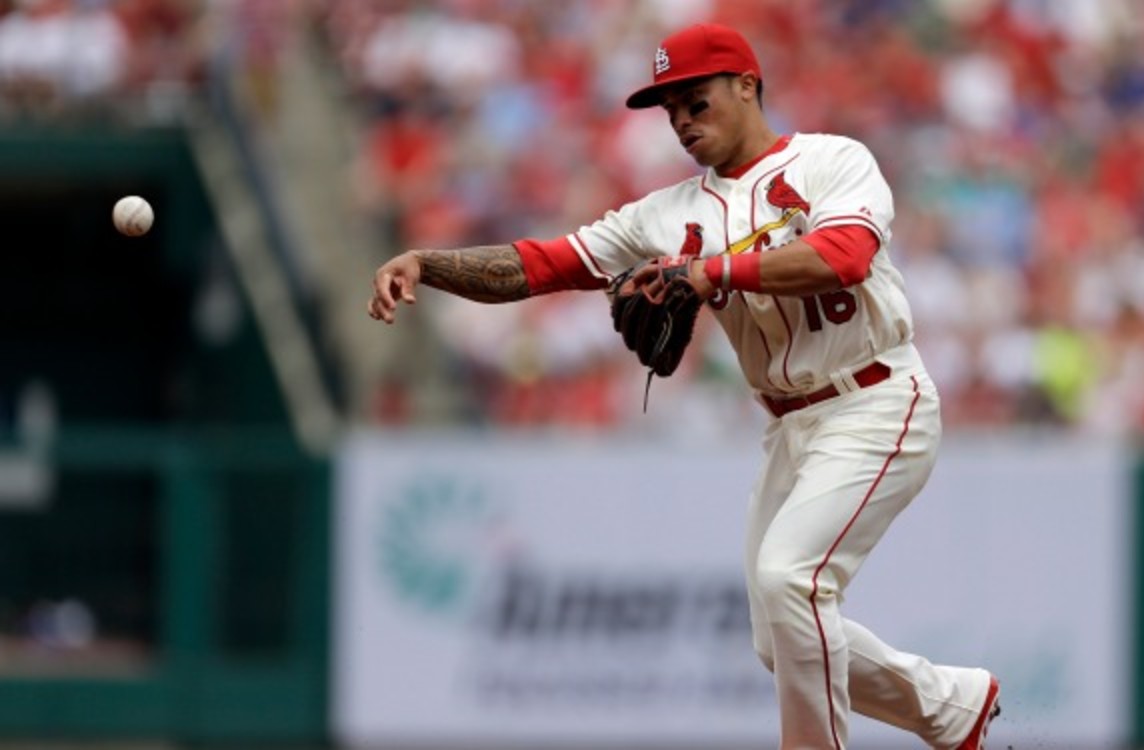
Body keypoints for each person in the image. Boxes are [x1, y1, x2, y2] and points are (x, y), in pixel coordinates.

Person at [368, 22, 1000, 750]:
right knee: (779, 634)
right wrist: (427, 262)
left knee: (790, 581)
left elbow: (845, 256)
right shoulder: (663, 215)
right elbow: (543, 264)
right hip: (789, 425)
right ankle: (951, 707)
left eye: (695, 101)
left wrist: (709, 272)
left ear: (746, 86)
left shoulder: (832, 160)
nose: (682, 122)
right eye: (670, 111)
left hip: (877, 395)